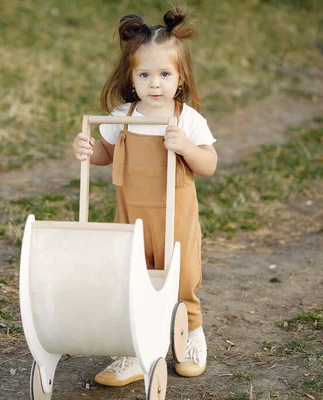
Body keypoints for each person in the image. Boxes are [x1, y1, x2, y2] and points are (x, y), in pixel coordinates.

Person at [72, 8, 218, 386]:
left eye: (165, 74)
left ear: (180, 78)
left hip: (177, 219)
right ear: (132, 78)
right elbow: (107, 155)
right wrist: (89, 149)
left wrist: (185, 146)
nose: (156, 84)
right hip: (132, 217)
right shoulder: (124, 115)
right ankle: (133, 350)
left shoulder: (187, 119)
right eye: (145, 75)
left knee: (181, 276)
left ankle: (191, 334)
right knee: (132, 277)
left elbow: (209, 164)